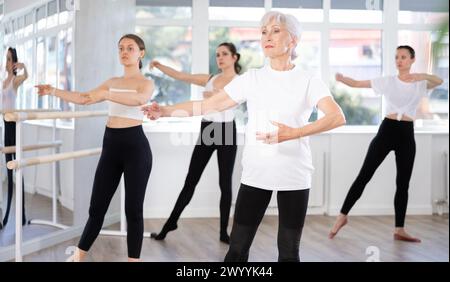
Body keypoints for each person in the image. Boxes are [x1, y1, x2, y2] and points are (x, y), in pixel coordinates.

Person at [143, 11, 346, 261]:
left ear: (293, 40)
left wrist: (294, 133)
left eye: (275, 30)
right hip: (256, 174)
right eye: (263, 32)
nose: (267, 36)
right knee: (237, 251)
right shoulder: (252, 79)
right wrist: (164, 111)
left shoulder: (308, 80)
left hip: (295, 174)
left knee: (289, 253)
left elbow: (336, 117)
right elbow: (209, 105)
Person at [35, 34, 153, 261]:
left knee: (133, 211)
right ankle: (78, 256)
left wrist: (108, 94)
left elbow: (139, 101)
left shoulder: (145, 83)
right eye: (120, 48)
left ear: (141, 53)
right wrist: (53, 91)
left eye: (130, 48)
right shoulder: (112, 81)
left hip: (136, 149)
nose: (124, 52)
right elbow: (84, 98)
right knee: (97, 208)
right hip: (111, 147)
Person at [329, 45, 443, 243]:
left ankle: (399, 229)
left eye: (403, 57)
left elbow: (439, 81)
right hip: (387, 131)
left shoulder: (420, 84)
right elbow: (357, 84)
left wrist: (420, 76)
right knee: (365, 175)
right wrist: (342, 78)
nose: (399, 60)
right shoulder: (387, 81)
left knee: (403, 183)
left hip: (407, 134)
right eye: (396, 57)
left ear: (412, 60)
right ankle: (342, 216)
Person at [149, 42, 241, 244]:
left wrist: (212, 96)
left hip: (226, 131)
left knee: (225, 184)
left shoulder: (239, 82)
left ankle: (224, 233)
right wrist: (158, 65)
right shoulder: (210, 78)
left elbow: (226, 101)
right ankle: (169, 225)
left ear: (234, 57)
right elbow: (182, 76)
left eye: (225, 54)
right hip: (208, 128)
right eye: (217, 54)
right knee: (191, 181)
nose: (220, 58)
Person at [1, 47, 29, 229]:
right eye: (6, 58)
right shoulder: (3, 82)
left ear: (14, 62)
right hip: (5, 128)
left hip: (14, 127)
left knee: (18, 171)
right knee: (8, 172)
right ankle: (6, 216)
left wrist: (24, 66)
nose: (7, 61)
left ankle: (23, 214)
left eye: (10, 59)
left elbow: (26, 76)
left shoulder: (15, 82)